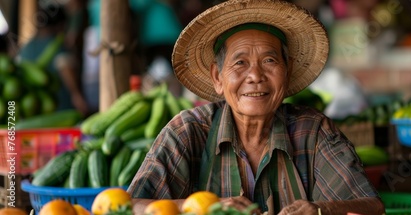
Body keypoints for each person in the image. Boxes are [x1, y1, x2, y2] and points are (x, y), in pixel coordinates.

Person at [127, 0, 385, 214]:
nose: (255, 76)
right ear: (218, 77)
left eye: (269, 60)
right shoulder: (188, 132)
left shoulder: (313, 132)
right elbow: (131, 206)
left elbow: (372, 207)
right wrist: (202, 208)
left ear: (287, 71)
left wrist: (320, 210)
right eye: (240, 63)